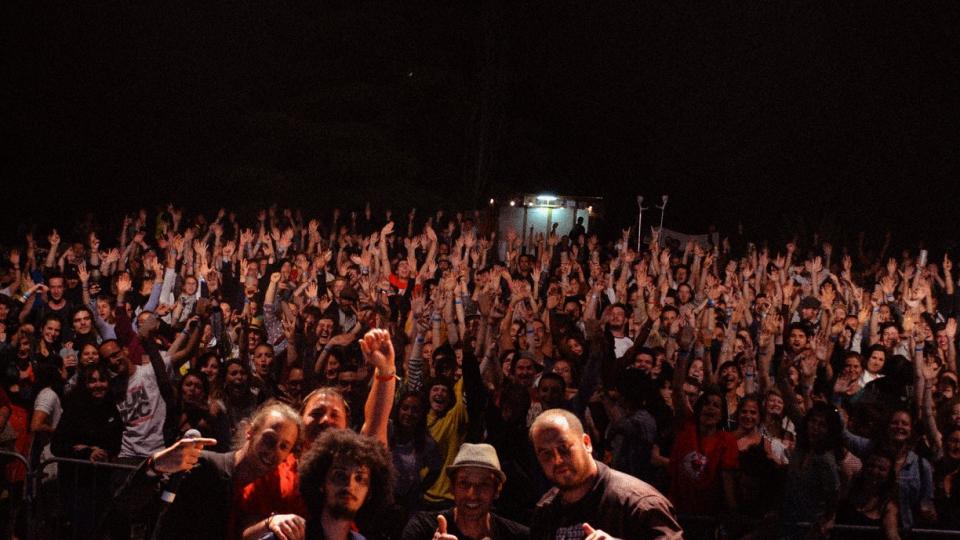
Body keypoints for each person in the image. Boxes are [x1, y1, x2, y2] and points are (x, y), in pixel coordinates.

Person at [113, 400, 301, 539]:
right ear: (250, 432)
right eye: (269, 439)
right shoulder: (202, 466)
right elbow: (126, 505)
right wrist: (155, 465)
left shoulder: (264, 496)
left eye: (284, 446)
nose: (274, 450)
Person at [528, 408, 682, 539]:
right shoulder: (545, 510)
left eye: (564, 448)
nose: (557, 460)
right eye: (546, 454)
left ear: (587, 444)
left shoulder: (639, 504)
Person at [401, 443, 528, 540]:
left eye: (483, 484)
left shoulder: (519, 536)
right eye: (464, 483)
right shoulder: (422, 528)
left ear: (497, 490)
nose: (472, 495)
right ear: (452, 487)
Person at [297, 428, 395, 540]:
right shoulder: (290, 536)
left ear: (370, 493)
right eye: (340, 475)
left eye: (359, 478)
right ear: (321, 482)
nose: (349, 484)